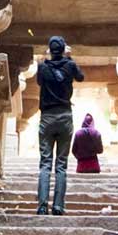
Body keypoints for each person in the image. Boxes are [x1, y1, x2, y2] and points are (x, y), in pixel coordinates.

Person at [35, 34, 84, 214]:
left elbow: (40, 82)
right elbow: (81, 77)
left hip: (47, 117)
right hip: (64, 116)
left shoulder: (42, 67)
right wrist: (69, 58)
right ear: (63, 49)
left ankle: (41, 207)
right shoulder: (70, 65)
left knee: (45, 163)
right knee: (61, 164)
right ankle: (58, 206)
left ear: (50, 50)